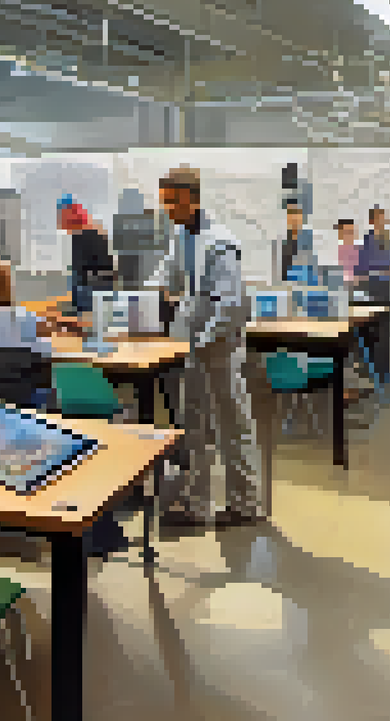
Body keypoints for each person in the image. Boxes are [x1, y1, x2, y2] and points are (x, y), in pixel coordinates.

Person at [146, 167, 266, 528]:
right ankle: (195, 504)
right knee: (193, 424)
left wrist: (204, 340)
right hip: (194, 346)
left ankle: (245, 504)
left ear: (191, 198)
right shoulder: (181, 236)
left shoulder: (220, 243)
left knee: (232, 424)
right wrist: (131, 301)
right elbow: (167, 276)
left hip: (218, 347)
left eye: (172, 200)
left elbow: (230, 304)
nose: (167, 208)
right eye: (164, 200)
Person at [355, 206, 390, 388]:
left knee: (383, 333)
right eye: (377, 219)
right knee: (368, 333)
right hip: (367, 292)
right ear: (371, 221)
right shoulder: (365, 244)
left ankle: (383, 374)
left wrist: (377, 270)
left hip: (385, 291)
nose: (381, 222)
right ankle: (370, 373)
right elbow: (359, 269)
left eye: (383, 218)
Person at [58, 196, 115, 314]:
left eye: (63, 216)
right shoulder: (84, 232)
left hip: (93, 291)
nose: (60, 221)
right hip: (93, 289)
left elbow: (84, 272)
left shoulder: (88, 233)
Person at [277, 198, 318, 283]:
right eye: (290, 213)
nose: (294, 217)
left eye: (297, 213)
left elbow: (313, 270)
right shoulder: (281, 242)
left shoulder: (309, 238)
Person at [335, 219, 361, 287]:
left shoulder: (360, 249)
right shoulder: (336, 250)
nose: (350, 235)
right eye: (347, 232)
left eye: (352, 232)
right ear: (340, 234)